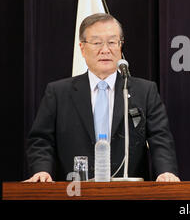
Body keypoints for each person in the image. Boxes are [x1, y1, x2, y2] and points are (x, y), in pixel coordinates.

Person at [26, 13, 180, 182]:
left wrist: (165, 172)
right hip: (75, 191)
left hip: (130, 192)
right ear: (82, 48)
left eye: (112, 42)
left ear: (121, 46)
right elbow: (41, 140)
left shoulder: (144, 91)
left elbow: (160, 139)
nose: (105, 50)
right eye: (97, 42)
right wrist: (42, 171)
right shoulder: (58, 93)